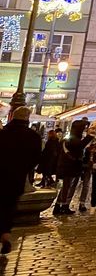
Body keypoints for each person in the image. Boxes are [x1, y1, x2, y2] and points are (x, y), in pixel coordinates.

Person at [0, 107, 42, 256]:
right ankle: (5, 234)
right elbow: (37, 158)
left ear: (12, 117)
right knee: (8, 207)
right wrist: (24, 169)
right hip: (16, 178)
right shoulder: (33, 136)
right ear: (27, 119)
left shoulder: (3, 133)